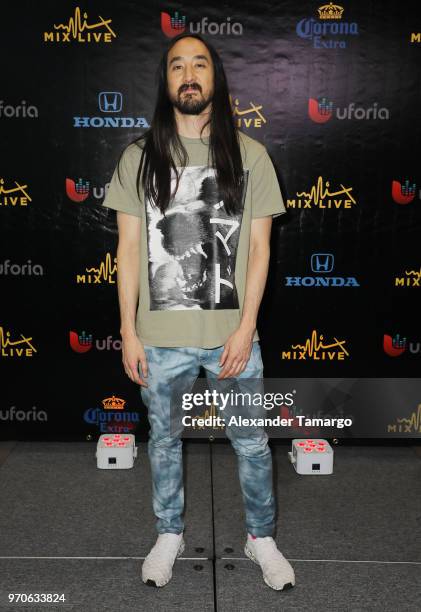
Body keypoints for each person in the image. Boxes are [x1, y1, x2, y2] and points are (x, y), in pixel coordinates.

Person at [101, 32, 295, 592]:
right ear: (166, 83)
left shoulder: (251, 155)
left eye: (199, 64)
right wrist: (128, 331)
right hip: (159, 336)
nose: (189, 74)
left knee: (253, 443)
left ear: (215, 78)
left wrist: (246, 328)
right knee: (162, 440)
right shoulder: (139, 157)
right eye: (177, 66)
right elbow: (128, 250)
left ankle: (262, 538)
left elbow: (260, 251)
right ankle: (169, 533)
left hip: (231, 333)